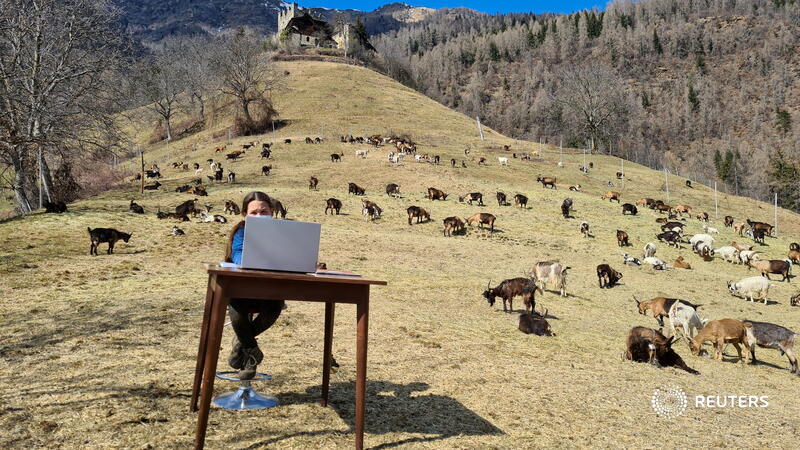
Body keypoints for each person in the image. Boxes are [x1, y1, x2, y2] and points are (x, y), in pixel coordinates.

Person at [224, 191, 285, 380]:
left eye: (264, 212)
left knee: (274, 307)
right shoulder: (240, 231)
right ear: (245, 214)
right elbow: (237, 254)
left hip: (271, 289)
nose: (259, 216)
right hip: (242, 287)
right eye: (254, 213)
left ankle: (241, 342)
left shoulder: (286, 233)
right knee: (236, 308)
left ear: (272, 211)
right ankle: (252, 354)